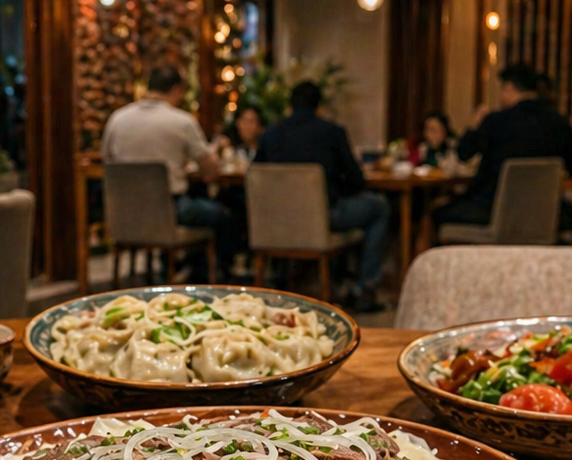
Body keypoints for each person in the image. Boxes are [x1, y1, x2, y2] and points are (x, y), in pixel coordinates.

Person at [256, 81, 391, 313]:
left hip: (274, 224)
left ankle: (278, 277)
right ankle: (364, 288)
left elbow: (255, 175)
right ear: (319, 106)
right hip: (324, 218)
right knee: (379, 207)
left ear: (289, 105)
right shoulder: (332, 132)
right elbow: (356, 180)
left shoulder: (271, 133)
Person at [100, 64, 236, 275]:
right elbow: (211, 172)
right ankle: (205, 276)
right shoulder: (182, 122)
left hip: (124, 213)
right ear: (176, 90)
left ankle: (179, 267)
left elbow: (107, 160)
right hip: (171, 210)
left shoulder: (117, 119)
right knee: (223, 216)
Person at [432, 63, 572, 231]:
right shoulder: (558, 123)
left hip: (492, 210)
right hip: (544, 215)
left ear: (509, 87)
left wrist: (474, 127)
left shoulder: (496, 121)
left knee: (437, 211)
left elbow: (463, 153)